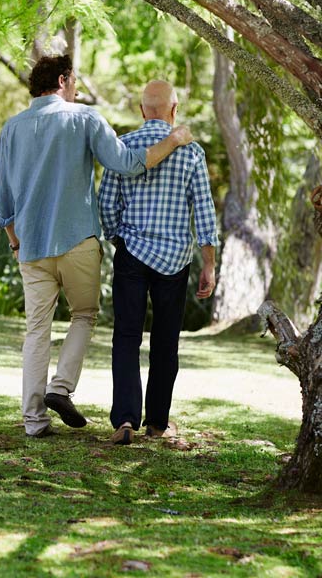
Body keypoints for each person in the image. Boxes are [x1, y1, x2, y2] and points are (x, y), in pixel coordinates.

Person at [0, 56, 194, 438]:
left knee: (37, 330)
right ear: (62, 79)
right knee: (84, 314)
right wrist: (172, 139)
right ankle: (61, 386)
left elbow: (3, 204)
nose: (77, 88)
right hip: (77, 243)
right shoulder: (84, 118)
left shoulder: (12, 129)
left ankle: (34, 421)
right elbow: (128, 163)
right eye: (74, 81)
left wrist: (15, 243)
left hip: (31, 247)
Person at [98, 79, 219, 445]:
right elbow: (205, 211)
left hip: (132, 254)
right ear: (174, 109)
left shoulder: (124, 147)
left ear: (141, 110)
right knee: (166, 343)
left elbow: (106, 204)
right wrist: (209, 264)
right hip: (176, 260)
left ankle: (125, 421)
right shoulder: (192, 153)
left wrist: (120, 238)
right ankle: (158, 423)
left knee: (127, 337)